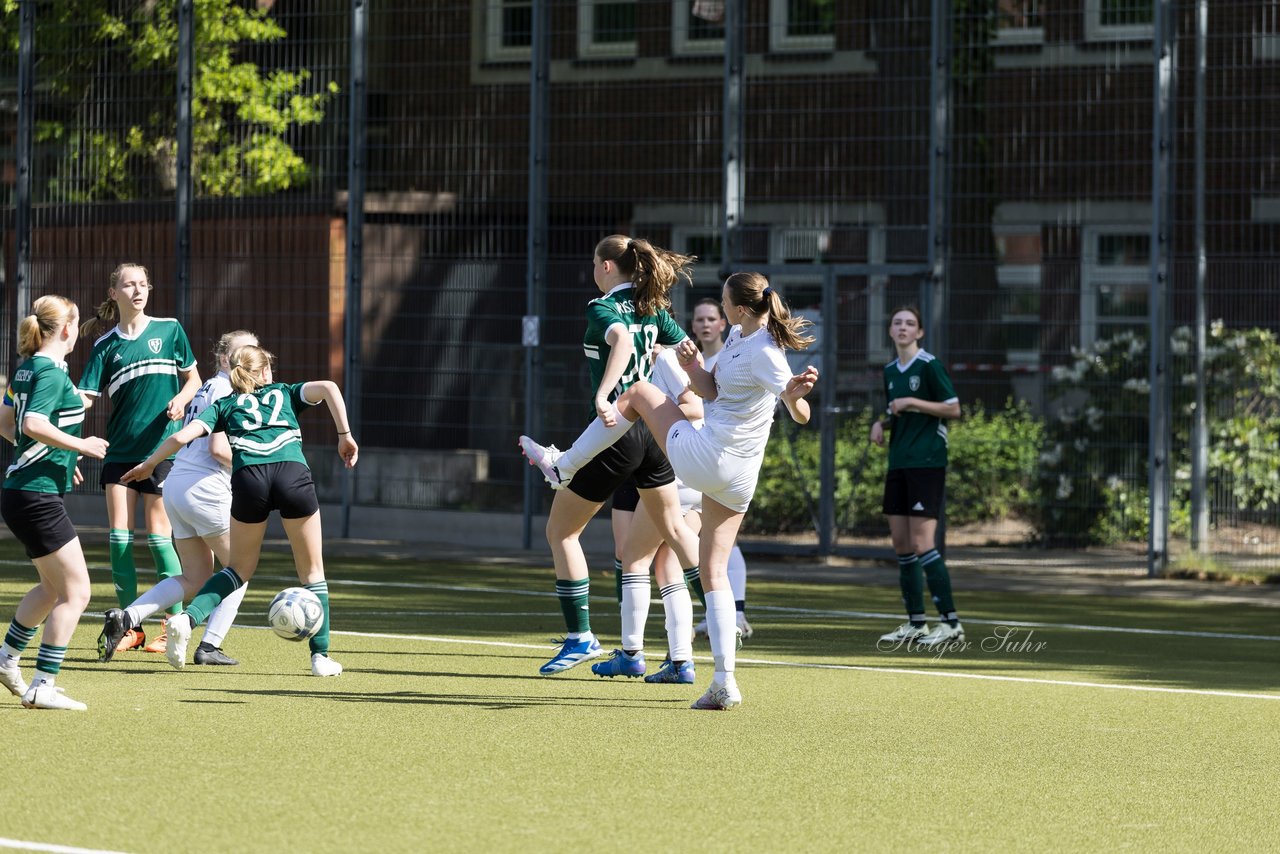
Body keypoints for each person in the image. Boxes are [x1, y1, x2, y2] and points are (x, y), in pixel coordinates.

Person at [522, 272, 818, 710]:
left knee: (639, 392)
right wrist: (693, 366)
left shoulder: (767, 352)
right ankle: (723, 682)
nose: (719, 308)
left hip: (710, 457)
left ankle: (562, 465)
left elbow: (801, 415)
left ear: (738, 308)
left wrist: (794, 395)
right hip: (738, 475)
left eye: (723, 301)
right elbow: (711, 390)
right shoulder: (739, 334)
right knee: (712, 572)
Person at [518, 234, 702, 678]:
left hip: (615, 434)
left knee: (561, 532)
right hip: (653, 435)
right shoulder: (654, 307)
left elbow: (619, 341)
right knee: (673, 532)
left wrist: (604, 393)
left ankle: (581, 637)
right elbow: (683, 350)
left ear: (605, 267)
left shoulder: (601, 307)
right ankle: (717, 607)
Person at [120, 344, 358, 676]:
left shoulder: (224, 404)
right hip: (291, 473)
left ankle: (187, 620)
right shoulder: (285, 392)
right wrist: (344, 437)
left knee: (238, 569)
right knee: (312, 572)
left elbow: (182, 438)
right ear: (264, 372)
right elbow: (330, 388)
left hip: (249, 480)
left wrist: (149, 465)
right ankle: (320, 657)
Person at [97, 330, 259, 666]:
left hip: (177, 484)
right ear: (227, 358)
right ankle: (208, 644)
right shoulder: (227, 389)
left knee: (195, 577)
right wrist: (257, 462)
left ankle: (126, 619)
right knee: (239, 569)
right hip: (205, 488)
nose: (255, 361)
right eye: (248, 352)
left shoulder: (206, 387)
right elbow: (218, 449)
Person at [79, 263, 201, 654]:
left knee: (159, 538)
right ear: (113, 292)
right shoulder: (105, 346)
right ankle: (129, 626)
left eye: (143, 284)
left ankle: (171, 625)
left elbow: (193, 379)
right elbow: (83, 399)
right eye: (129, 284)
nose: (138, 290)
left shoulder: (170, 330)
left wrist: (182, 399)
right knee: (118, 539)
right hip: (119, 452)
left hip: (162, 451)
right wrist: (62, 434)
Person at [0, 296, 110, 710]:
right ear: (67, 329)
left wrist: (54, 454)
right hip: (35, 496)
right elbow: (31, 424)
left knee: (51, 588)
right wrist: (79, 444)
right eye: (77, 323)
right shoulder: (46, 370)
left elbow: (4, 423)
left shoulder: (28, 367)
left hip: (24, 491)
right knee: (77, 592)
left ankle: (7, 660)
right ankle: (42, 685)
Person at [603, 345, 704, 685]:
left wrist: (648, 416)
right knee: (667, 565)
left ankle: (631, 654)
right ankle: (681, 662)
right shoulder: (645, 361)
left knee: (634, 557)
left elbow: (694, 405)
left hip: (677, 471)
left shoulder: (666, 357)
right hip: (694, 473)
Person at [870, 305, 964, 648]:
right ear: (891, 331)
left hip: (927, 462)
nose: (903, 328)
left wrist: (912, 401)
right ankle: (916, 623)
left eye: (910, 323)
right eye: (897, 323)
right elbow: (895, 409)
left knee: (924, 543)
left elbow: (953, 408)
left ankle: (951, 623)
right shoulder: (891, 369)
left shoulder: (929, 365)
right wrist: (882, 423)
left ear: (920, 332)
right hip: (899, 462)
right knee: (902, 544)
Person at [689, 297, 753, 642]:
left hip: (725, 456)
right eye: (699, 319)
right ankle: (721, 614)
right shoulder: (693, 361)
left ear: (723, 322)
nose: (705, 324)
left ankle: (735, 614)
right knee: (707, 540)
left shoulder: (733, 358)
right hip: (698, 456)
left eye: (711, 317)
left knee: (724, 540)